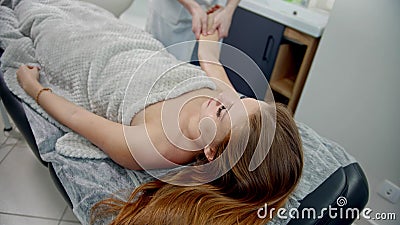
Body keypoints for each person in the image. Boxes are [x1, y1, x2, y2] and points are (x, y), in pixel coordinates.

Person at [13, 1, 303, 223]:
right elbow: (210, 59)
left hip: (88, 59)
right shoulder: (228, 107)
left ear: (212, 152)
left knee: (39, 13)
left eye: (224, 113)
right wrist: (208, 27)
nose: (228, 96)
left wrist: (34, 89)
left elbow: (78, 119)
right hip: (135, 46)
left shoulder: (153, 146)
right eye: (242, 98)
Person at [146, 0, 240, 61]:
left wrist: (228, 11)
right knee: (159, 65)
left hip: (209, 13)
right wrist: (194, 7)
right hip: (171, 14)